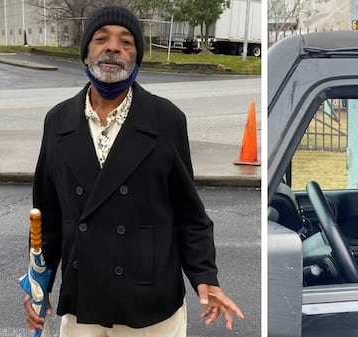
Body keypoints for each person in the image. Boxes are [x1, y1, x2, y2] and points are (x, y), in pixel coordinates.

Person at [23, 5, 243, 336]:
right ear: (85, 54)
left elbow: (190, 215)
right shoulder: (57, 122)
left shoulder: (166, 119)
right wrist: (38, 284)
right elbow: (47, 218)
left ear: (136, 58)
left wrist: (205, 277)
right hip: (84, 299)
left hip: (150, 304)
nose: (113, 47)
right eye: (101, 39)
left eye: (126, 42)